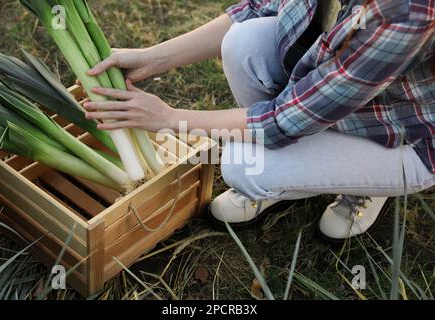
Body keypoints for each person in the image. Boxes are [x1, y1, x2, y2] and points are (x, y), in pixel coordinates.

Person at [83, 0, 435, 241]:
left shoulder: (406, 11)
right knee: (244, 41)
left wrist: (169, 118)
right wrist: (152, 58)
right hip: (326, 98)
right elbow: (256, 7)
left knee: (241, 164)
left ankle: (366, 187)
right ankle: (285, 178)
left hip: (404, 131)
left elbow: (285, 119)